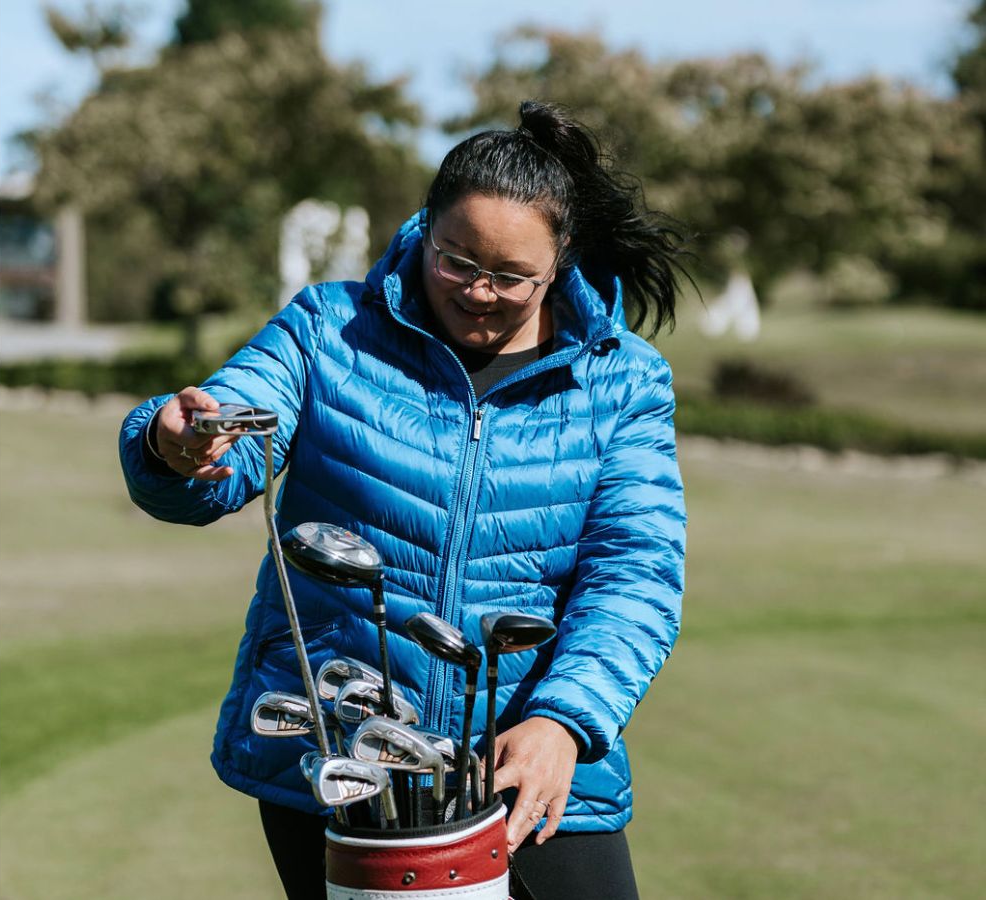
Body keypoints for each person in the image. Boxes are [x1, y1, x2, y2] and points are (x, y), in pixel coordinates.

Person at [118, 100, 688, 899]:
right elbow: (228, 430)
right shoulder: (328, 329)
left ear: (559, 263)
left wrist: (564, 722)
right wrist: (175, 446)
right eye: (456, 261)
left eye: (512, 276)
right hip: (341, 758)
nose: (479, 292)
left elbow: (636, 575)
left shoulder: (623, 378)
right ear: (426, 227)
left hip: (531, 765)